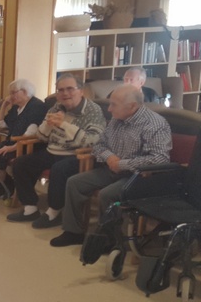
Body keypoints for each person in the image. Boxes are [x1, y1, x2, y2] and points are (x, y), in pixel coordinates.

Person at [50, 84, 171, 246]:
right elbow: (99, 144)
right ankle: (74, 232)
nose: (109, 110)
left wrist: (122, 164)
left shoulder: (155, 124)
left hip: (139, 176)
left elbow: (160, 159)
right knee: (75, 182)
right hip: (111, 168)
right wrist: (110, 157)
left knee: (107, 194)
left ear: (132, 106)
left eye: (114, 105)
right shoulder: (116, 119)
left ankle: (109, 239)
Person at [6, 74, 106, 224]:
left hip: (77, 155)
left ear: (81, 91)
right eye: (61, 90)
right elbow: (41, 136)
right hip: (53, 150)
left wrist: (63, 124)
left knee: (59, 169)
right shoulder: (56, 107)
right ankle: (30, 208)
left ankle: (54, 211)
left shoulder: (93, 110)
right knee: (21, 163)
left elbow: (93, 141)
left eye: (70, 89)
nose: (65, 93)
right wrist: (48, 124)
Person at [0, 79, 48, 200]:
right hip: (13, 142)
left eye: (13, 92)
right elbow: (0, 125)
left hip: (29, 145)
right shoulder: (17, 107)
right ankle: (6, 183)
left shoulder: (36, 107)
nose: (11, 96)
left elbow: (30, 133)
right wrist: (4, 105)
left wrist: (12, 147)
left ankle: (1, 185)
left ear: (25, 92)